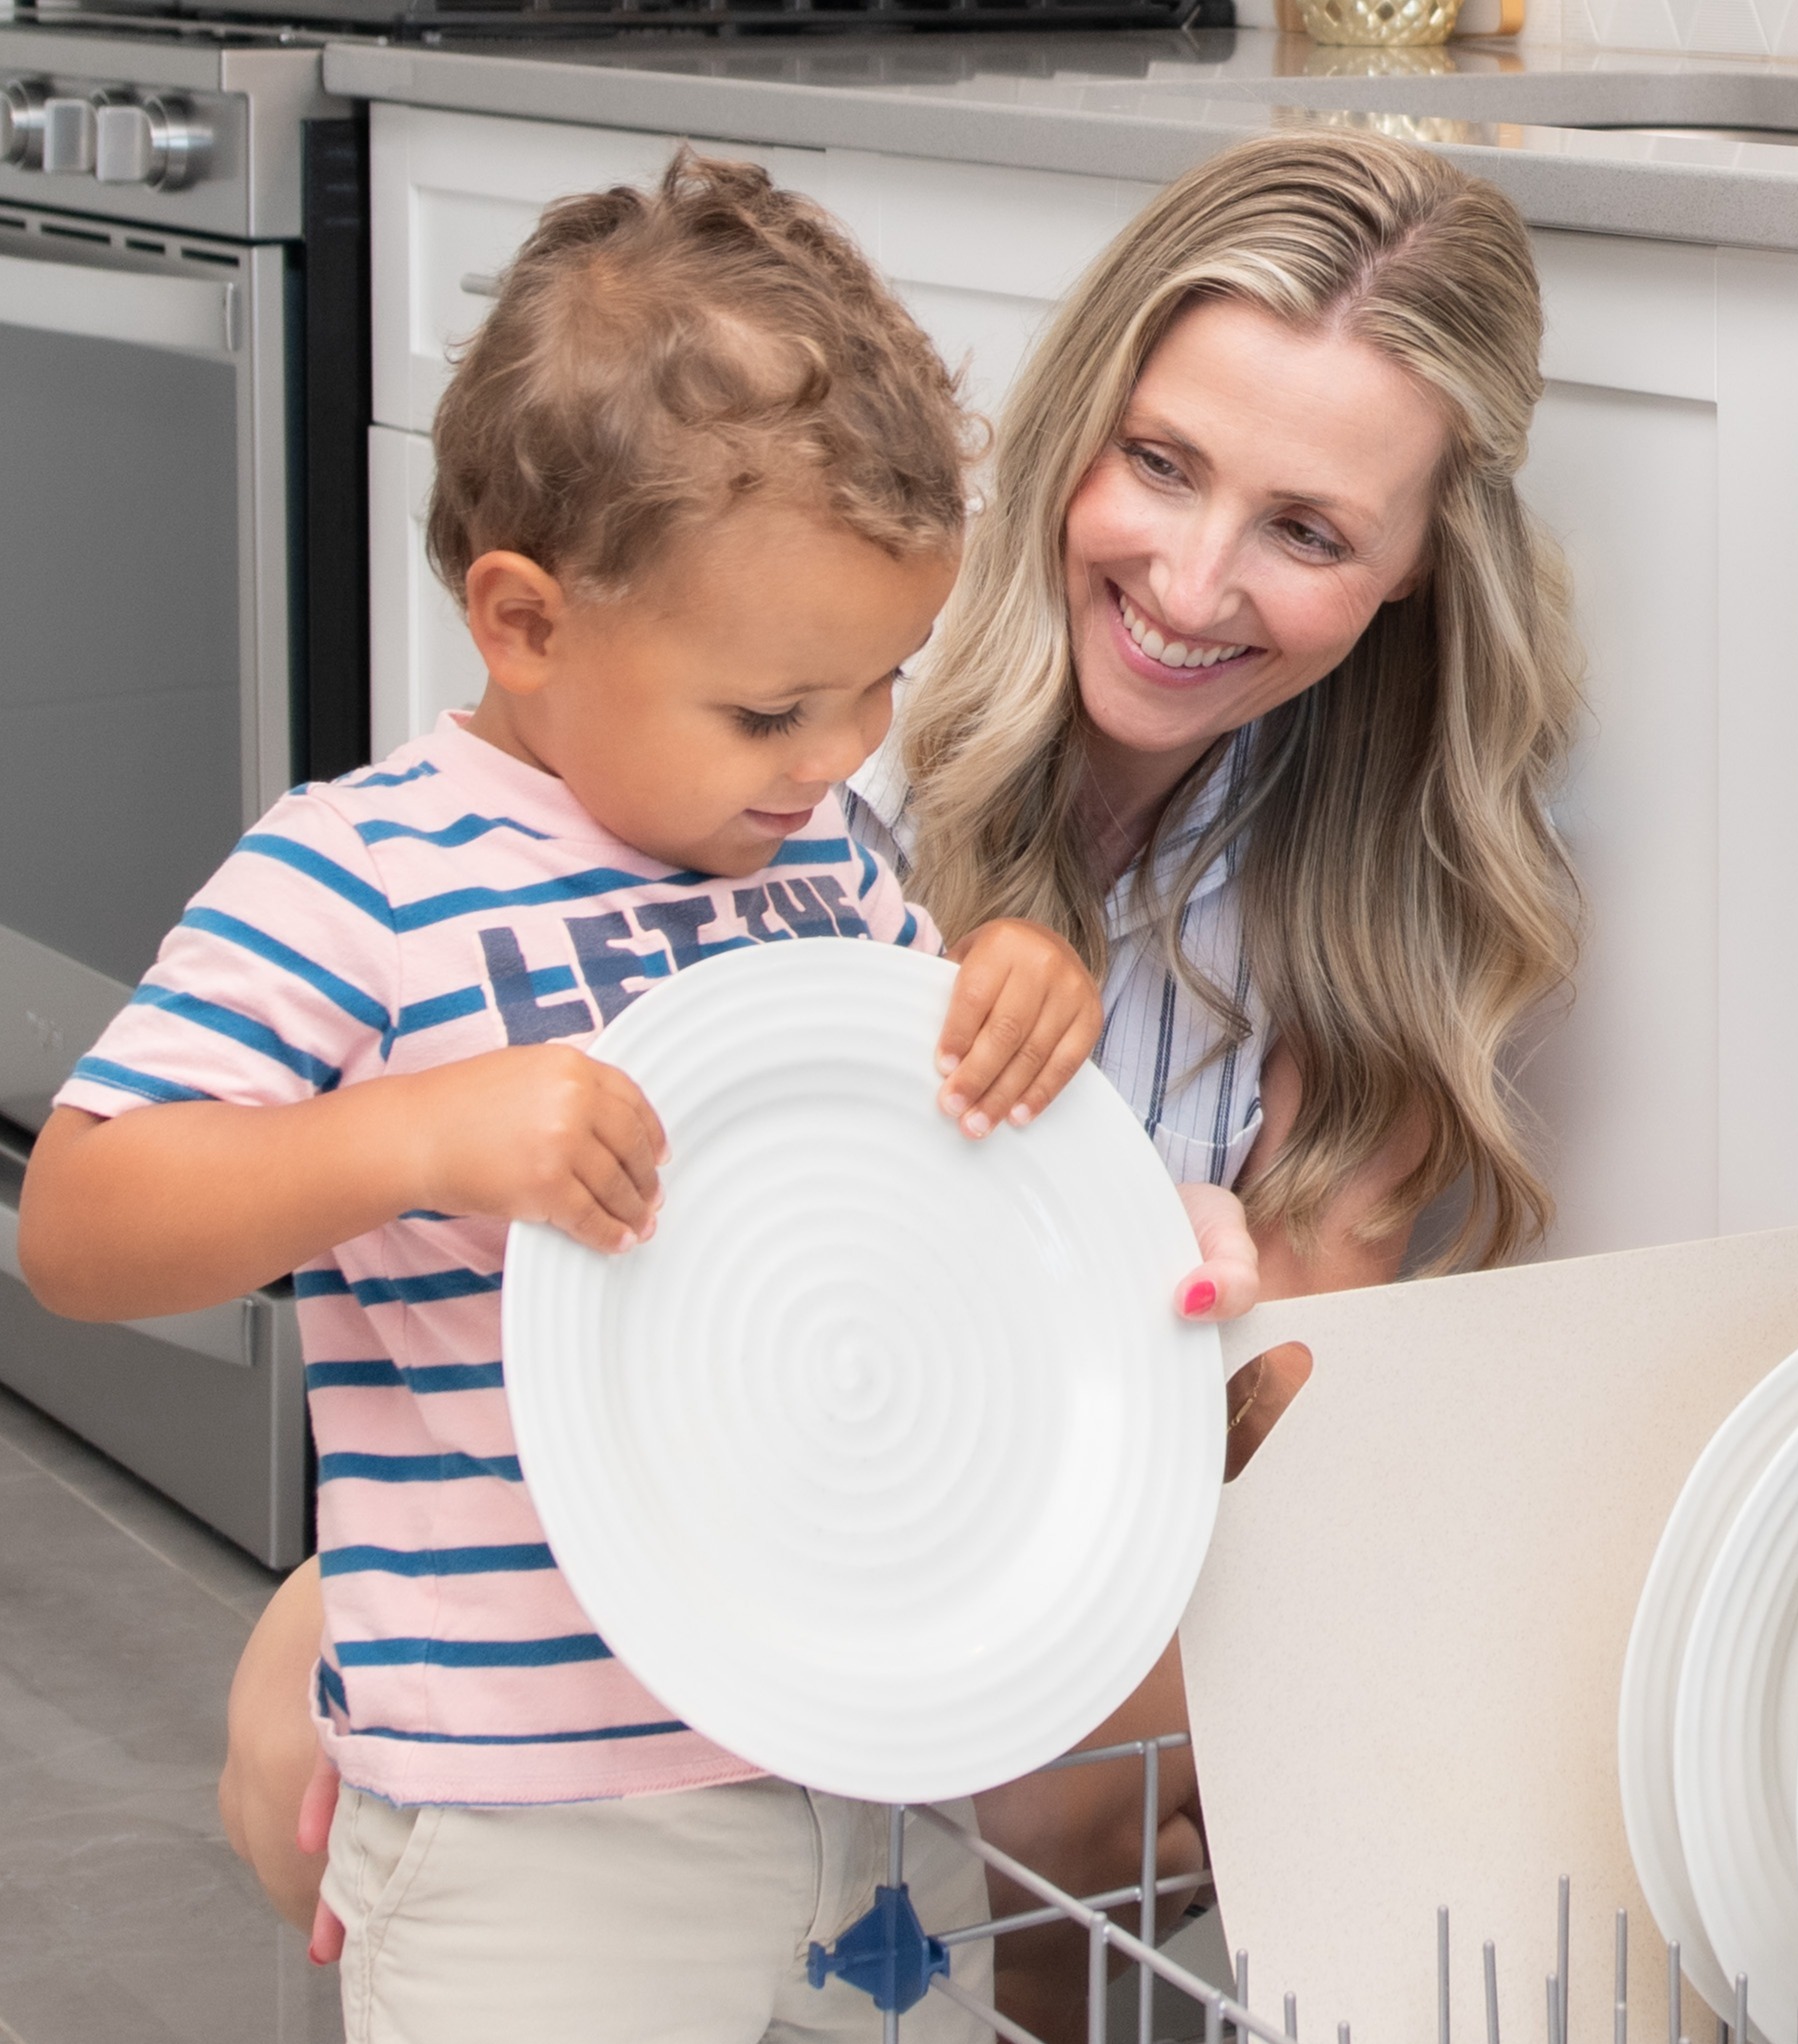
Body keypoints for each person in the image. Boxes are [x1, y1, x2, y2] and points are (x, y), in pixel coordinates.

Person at [215, 124, 1583, 2042]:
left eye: (1308, 529)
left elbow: (1279, 1422)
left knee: (1004, 1794)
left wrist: (1212, 1325)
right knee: (307, 1694)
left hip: (1010, 1546)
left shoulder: (1373, 912)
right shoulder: (813, 710)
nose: (1190, 582)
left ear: (1416, 567)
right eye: (1162, 465)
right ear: (1074, 425)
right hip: (709, 1471)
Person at [17, 153, 1257, 2044]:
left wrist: (1015, 1003)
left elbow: (932, 1226)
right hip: (533, 1831)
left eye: (881, 688)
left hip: (864, 1772)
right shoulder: (362, 877)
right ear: (523, 622)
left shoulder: (830, 864)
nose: (844, 756)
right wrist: (414, 1137)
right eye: (773, 712)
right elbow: (83, 1227)